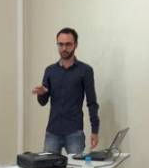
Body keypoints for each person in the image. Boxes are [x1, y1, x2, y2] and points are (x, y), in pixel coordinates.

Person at [32, 27, 99, 156]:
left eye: (68, 44)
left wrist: (95, 130)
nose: (64, 48)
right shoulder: (50, 71)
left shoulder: (85, 71)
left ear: (75, 45)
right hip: (52, 131)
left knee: (76, 167)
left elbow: (92, 102)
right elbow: (43, 102)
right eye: (61, 44)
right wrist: (42, 94)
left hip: (74, 132)